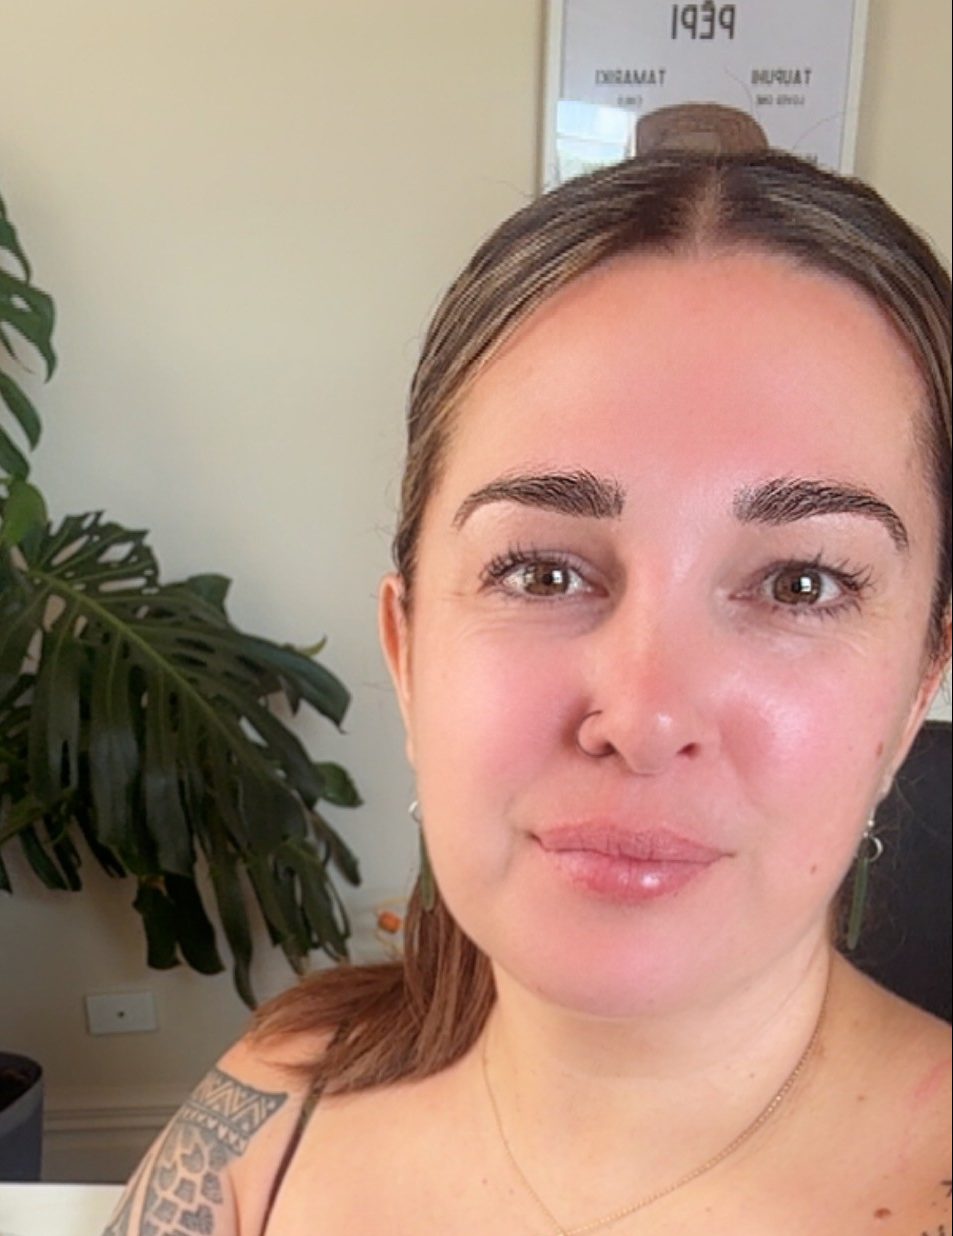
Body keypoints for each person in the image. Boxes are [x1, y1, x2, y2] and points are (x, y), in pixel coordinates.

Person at [103, 150, 952, 1236]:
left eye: (800, 584)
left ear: (915, 688)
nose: (642, 718)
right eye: (541, 573)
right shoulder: (271, 1116)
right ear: (408, 653)